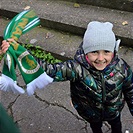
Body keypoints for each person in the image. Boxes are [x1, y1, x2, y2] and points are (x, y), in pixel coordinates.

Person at [1, 21, 133, 133]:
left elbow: (130, 90)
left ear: (113, 51)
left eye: (106, 52)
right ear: (86, 52)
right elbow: (50, 70)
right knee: (96, 128)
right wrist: (19, 53)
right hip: (90, 113)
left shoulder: (121, 68)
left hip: (113, 111)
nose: (100, 58)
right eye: (94, 52)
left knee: (117, 126)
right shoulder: (76, 68)